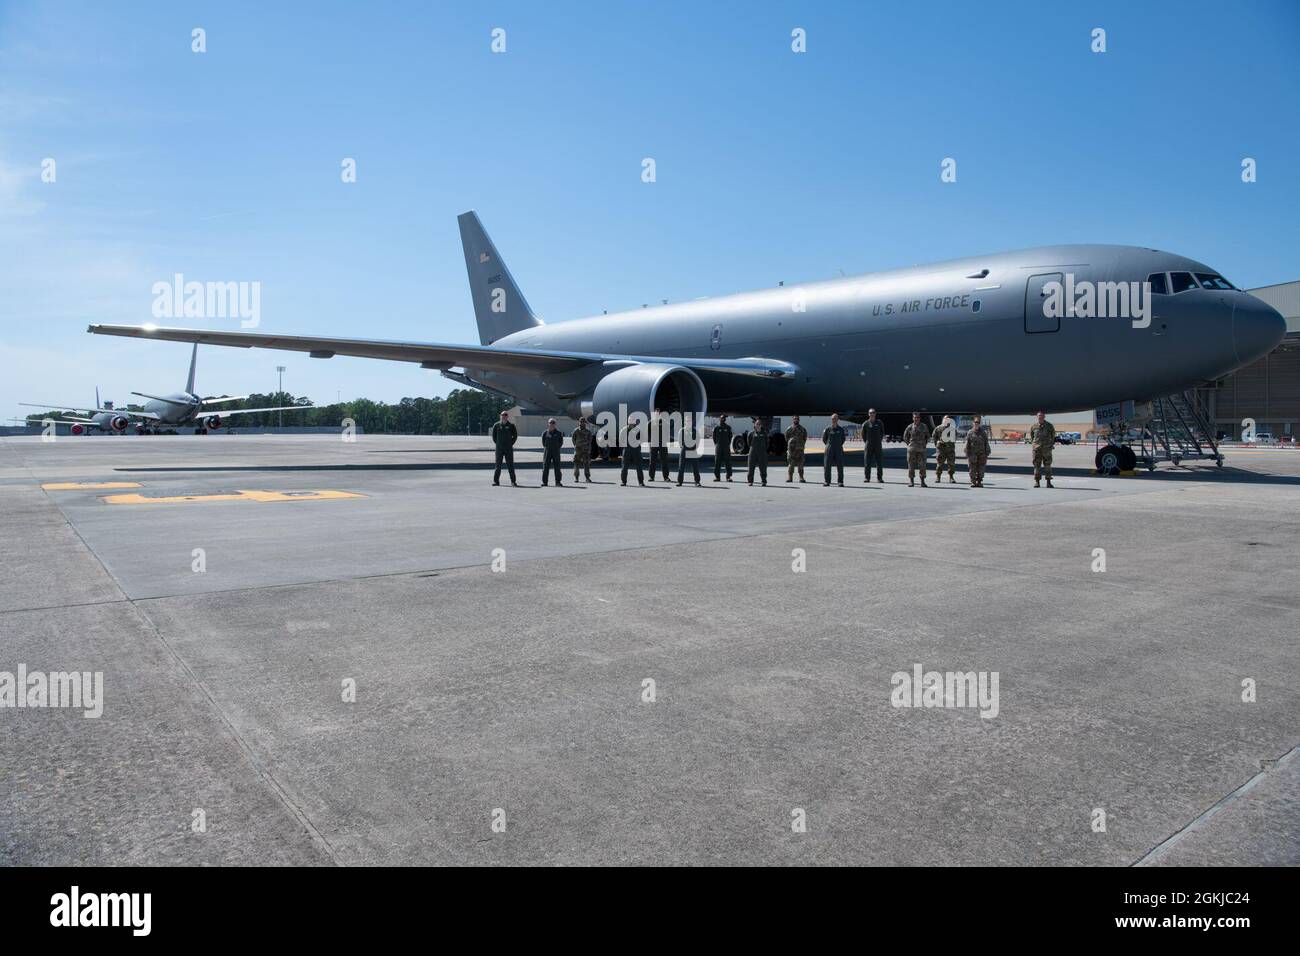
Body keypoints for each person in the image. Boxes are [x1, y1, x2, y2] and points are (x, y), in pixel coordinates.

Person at [490, 410, 518, 486]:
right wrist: (499, 444)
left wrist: (510, 444)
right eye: (502, 415)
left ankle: (513, 481)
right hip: (499, 448)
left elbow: (515, 436)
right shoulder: (496, 425)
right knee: (498, 466)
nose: (504, 416)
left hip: (508, 449)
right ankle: (496, 481)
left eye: (505, 415)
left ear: (507, 416)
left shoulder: (511, 425)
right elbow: (494, 437)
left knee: (510, 465)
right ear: (500, 416)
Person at [1029, 410, 1056, 488]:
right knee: (1036, 465)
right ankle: (1037, 482)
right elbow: (1032, 437)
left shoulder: (1049, 426)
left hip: (1047, 449)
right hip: (1037, 449)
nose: (1040, 417)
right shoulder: (1033, 426)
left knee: (1047, 465)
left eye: (1042, 415)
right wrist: (1035, 445)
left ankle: (1048, 482)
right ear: (1037, 417)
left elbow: (1053, 435)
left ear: (1044, 416)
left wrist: (1050, 444)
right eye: (1039, 416)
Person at [903, 412, 930, 487]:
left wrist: (924, 444)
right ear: (913, 418)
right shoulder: (910, 427)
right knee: (911, 466)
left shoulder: (924, 426)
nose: (916, 419)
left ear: (919, 418)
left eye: (917, 417)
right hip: (912, 450)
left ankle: (922, 482)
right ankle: (911, 481)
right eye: (915, 417)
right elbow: (905, 436)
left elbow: (928, 436)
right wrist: (909, 444)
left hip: (921, 450)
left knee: (922, 466)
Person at [965, 414, 990, 487]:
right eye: (975, 423)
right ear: (973, 423)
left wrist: (987, 452)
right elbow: (967, 443)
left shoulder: (983, 433)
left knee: (981, 469)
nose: (976, 424)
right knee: (972, 468)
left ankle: (979, 481)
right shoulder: (970, 432)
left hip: (982, 454)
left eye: (978, 423)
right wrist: (967, 452)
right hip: (972, 454)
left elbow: (986, 443)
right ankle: (973, 482)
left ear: (979, 424)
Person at [822, 413, 847, 486]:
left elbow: (843, 439)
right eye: (833, 419)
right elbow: (824, 439)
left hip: (838, 449)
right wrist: (828, 445)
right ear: (831, 420)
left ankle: (840, 481)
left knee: (840, 465)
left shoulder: (841, 429)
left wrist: (838, 445)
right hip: (829, 448)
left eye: (835, 419)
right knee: (827, 465)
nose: (834, 420)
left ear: (838, 419)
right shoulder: (827, 429)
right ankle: (827, 481)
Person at [676, 416, 702, 486]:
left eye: (690, 421)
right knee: (681, 467)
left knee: (695, 467)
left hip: (692, 450)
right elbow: (679, 441)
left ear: (692, 422)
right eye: (687, 421)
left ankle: (697, 482)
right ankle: (680, 482)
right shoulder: (681, 431)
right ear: (685, 422)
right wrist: (683, 447)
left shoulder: (695, 431)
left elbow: (698, 440)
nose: (688, 422)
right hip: (684, 449)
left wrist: (694, 447)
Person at [620, 418, 646, 486]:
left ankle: (641, 482)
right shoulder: (624, 430)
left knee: (639, 466)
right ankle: (623, 481)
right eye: (630, 421)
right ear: (628, 421)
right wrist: (625, 445)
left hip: (636, 450)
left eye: (633, 421)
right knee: (624, 467)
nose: (632, 422)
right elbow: (621, 439)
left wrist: (637, 443)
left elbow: (643, 439)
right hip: (627, 450)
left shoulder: (638, 430)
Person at [646, 409, 671, 482]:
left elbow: (667, 432)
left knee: (664, 461)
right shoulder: (650, 423)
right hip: (653, 444)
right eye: (655, 414)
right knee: (652, 461)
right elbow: (648, 434)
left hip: (662, 444)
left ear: (660, 414)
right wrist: (650, 443)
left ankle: (666, 477)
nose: (657, 415)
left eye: (658, 414)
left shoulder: (664, 423)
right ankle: (651, 477)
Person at [862, 407, 885, 483]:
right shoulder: (865, 424)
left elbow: (882, 433)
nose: (872, 414)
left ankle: (879, 478)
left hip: (878, 444)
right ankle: (867, 478)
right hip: (869, 445)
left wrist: (879, 440)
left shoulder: (879, 423)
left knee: (879, 462)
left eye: (873, 412)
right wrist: (867, 441)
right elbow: (863, 435)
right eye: (870, 413)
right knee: (867, 462)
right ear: (868, 414)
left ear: (875, 414)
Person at [540, 418, 564, 486]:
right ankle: (545, 482)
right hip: (547, 452)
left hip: (556, 452)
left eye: (553, 423)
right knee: (545, 467)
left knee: (557, 467)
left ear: (555, 424)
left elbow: (561, 442)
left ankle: (558, 482)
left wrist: (556, 447)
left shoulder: (559, 433)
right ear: (548, 424)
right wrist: (548, 448)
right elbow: (543, 443)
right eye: (550, 423)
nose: (552, 424)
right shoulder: (545, 433)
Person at [934, 415, 957, 483]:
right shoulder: (938, 428)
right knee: (939, 464)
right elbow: (934, 437)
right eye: (945, 419)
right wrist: (937, 445)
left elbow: (955, 437)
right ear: (943, 420)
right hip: (941, 449)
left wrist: (951, 444)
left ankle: (951, 477)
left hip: (950, 450)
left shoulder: (952, 429)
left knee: (951, 464)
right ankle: (938, 477)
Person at [785, 415, 808, 483]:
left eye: (797, 419)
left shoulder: (802, 429)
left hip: (800, 449)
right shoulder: (789, 428)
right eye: (795, 419)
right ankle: (790, 477)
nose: (796, 420)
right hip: (791, 450)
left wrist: (800, 444)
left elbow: (805, 438)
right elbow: (786, 437)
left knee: (800, 464)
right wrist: (791, 444)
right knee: (791, 465)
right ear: (793, 420)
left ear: (799, 420)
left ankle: (801, 477)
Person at [570, 416, 594, 482]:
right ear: (579, 422)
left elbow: (590, 440)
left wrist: (587, 446)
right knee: (576, 464)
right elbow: (573, 439)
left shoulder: (588, 431)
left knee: (586, 464)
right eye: (581, 421)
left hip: (586, 450)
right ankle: (576, 477)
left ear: (585, 423)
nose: (582, 423)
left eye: (583, 422)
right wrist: (577, 445)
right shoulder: (576, 430)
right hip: (578, 449)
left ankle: (587, 478)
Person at [747, 417, 769, 486]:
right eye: (757, 424)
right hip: (752, 453)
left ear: (761, 425)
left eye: (759, 424)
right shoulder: (751, 433)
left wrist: (763, 450)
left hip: (762, 453)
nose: (758, 425)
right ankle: (750, 481)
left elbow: (767, 443)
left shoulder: (764, 433)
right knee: (751, 468)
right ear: (754, 425)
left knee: (763, 468)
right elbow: (749, 442)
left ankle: (764, 481)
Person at [712, 415, 734, 482]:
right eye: (721, 418)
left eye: (723, 418)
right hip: (718, 447)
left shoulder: (728, 428)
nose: (722, 419)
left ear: (725, 419)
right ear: (719, 419)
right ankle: (717, 477)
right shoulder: (716, 427)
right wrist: (717, 444)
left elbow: (730, 437)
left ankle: (728, 477)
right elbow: (714, 437)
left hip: (726, 447)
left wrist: (727, 444)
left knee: (728, 462)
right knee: (717, 462)